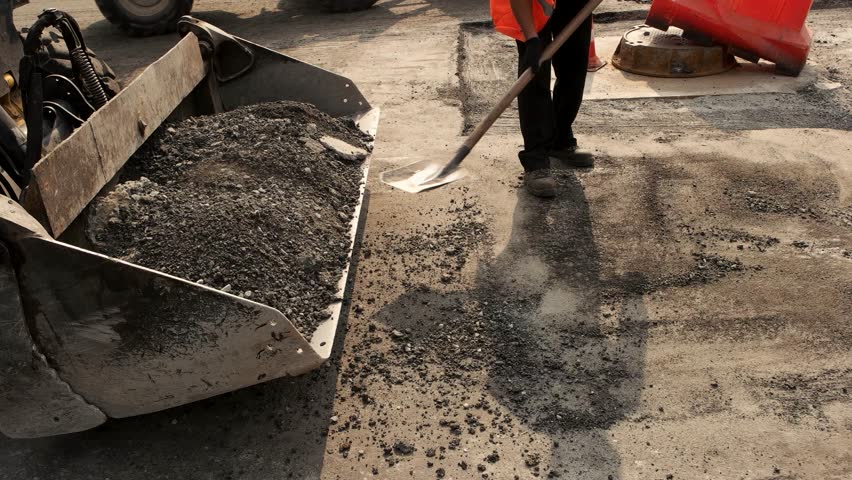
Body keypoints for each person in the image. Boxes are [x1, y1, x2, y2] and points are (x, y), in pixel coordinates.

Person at [491, 0, 595, 197]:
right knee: (534, 75)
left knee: (574, 68)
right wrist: (531, 38)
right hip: (533, 6)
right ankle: (536, 159)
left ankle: (560, 139)